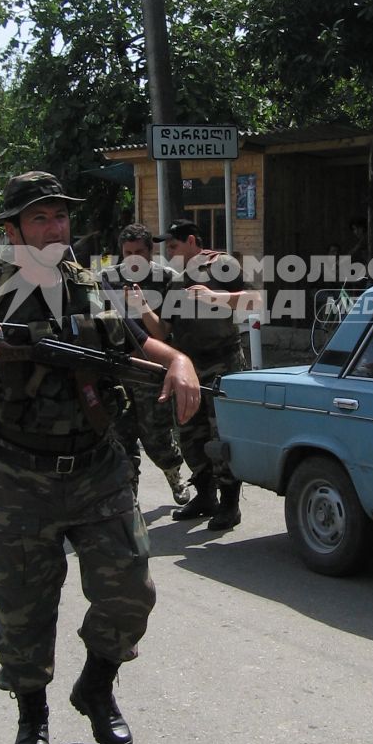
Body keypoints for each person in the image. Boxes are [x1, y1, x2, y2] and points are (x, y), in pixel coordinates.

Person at [0, 171, 201, 744]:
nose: (55, 228)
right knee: (23, 608)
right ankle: (31, 716)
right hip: (18, 476)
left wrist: (181, 362)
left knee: (130, 593)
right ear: (11, 232)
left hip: (98, 470)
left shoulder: (93, 290)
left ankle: (96, 688)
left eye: (60, 217)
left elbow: (145, 345)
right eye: (40, 219)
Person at [156, 216, 247, 530]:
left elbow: (254, 301)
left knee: (221, 435)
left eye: (173, 245)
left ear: (192, 241)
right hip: (190, 367)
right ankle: (205, 495)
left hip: (223, 363)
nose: (169, 253)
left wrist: (215, 297)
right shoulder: (175, 281)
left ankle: (230, 504)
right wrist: (137, 307)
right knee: (190, 434)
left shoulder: (221, 264)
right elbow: (162, 329)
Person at [98, 222, 192, 508]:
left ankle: (175, 475)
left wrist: (142, 307)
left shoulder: (168, 280)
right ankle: (129, 500)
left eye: (139, 252)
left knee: (157, 438)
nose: (133, 259)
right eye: (127, 253)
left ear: (150, 253)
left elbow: (164, 333)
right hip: (118, 369)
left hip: (151, 371)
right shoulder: (106, 279)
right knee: (121, 439)